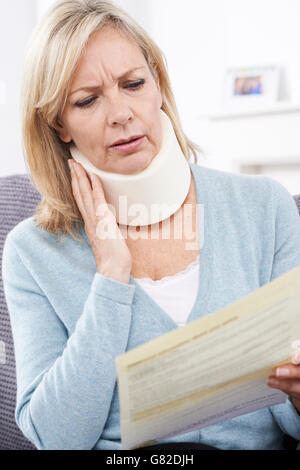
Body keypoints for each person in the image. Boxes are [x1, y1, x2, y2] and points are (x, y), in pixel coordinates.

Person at [2, 0, 300, 451]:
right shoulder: (32, 251)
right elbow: (55, 439)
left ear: (158, 84)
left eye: (134, 84)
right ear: (59, 124)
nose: (121, 112)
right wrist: (110, 277)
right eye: (87, 100)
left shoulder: (264, 208)